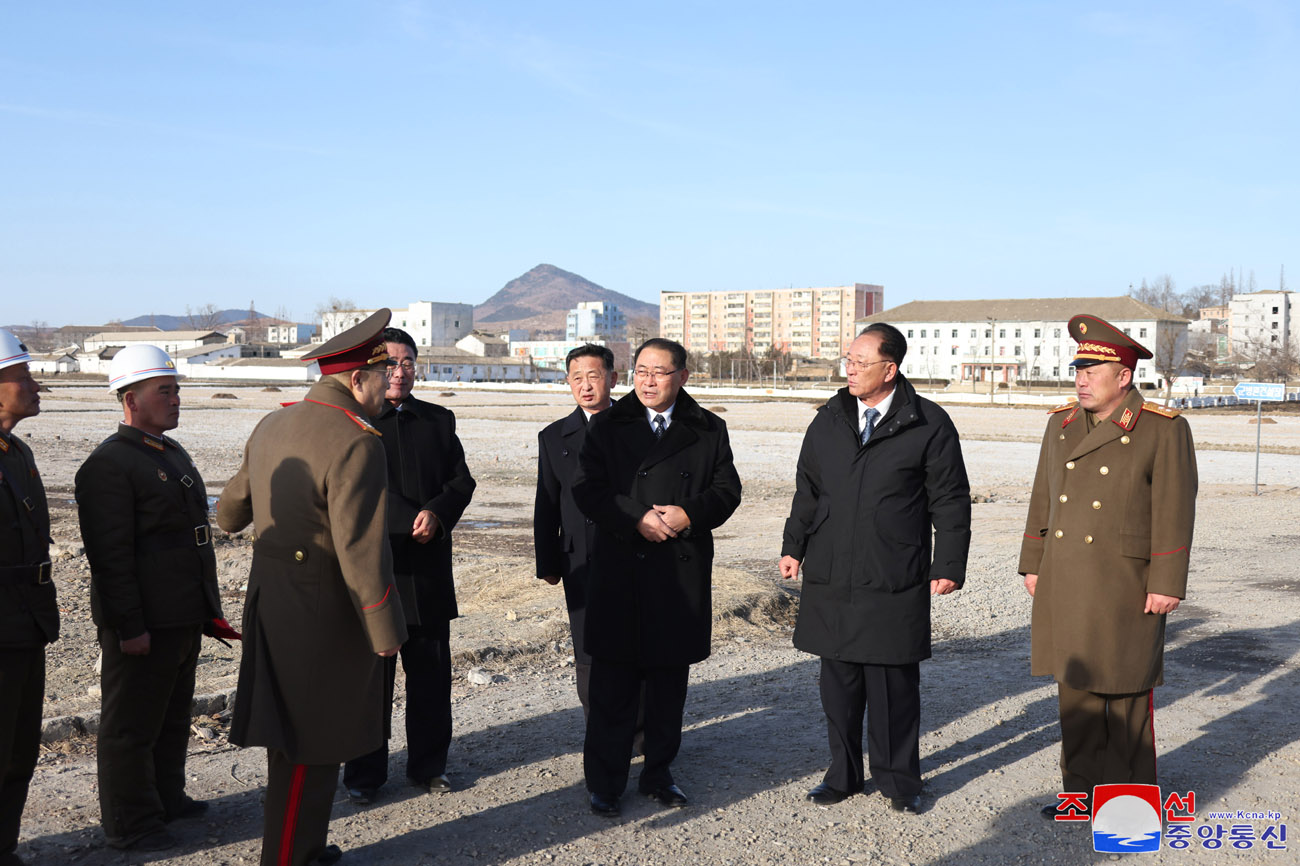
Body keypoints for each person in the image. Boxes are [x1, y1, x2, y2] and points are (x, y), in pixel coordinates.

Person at [217, 309, 407, 866]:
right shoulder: (357, 441)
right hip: (323, 616)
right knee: (312, 742)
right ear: (357, 378)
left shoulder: (274, 424)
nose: (388, 385)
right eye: (382, 374)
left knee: (291, 736)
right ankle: (290, 857)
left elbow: (230, 513)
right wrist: (385, 629)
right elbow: (361, 551)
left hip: (271, 605)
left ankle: (304, 846)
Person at [779, 323, 971, 815]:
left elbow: (949, 501)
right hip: (830, 573)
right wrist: (793, 546)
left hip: (892, 572)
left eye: (860, 361)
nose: (850, 368)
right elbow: (808, 490)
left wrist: (947, 563)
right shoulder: (830, 418)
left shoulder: (927, 422)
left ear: (891, 368)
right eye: (847, 358)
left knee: (892, 689)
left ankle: (900, 782)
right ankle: (842, 776)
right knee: (838, 687)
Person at [1019, 314, 1196, 819]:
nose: (1080, 379)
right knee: (1074, 694)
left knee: (1123, 698)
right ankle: (1079, 796)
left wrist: (1166, 582)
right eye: (1077, 369)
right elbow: (1043, 499)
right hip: (1066, 578)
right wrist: (1034, 562)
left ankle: (1127, 811)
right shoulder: (1061, 424)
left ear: (1123, 376)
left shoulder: (1161, 429)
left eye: (1091, 371)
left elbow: (1174, 511)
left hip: (1125, 584)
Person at [572, 338, 742, 817]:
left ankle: (658, 774)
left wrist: (689, 513)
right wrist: (636, 518)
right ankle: (604, 781)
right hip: (620, 566)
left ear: (682, 376)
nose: (648, 381)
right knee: (612, 685)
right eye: (641, 371)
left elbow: (728, 491)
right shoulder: (607, 425)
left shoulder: (708, 428)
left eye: (660, 372)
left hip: (678, 571)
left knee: (668, 686)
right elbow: (588, 488)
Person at [75, 344, 225, 851]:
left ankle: (166, 797)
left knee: (171, 716)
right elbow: (110, 557)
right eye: (165, 390)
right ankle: (131, 822)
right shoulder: (110, 465)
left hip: (180, 614)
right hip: (145, 621)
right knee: (130, 726)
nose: (176, 399)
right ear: (130, 398)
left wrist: (206, 608)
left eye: (177, 389)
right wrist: (128, 625)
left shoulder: (167, 452)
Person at [343, 327, 475, 805]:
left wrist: (437, 512)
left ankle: (428, 767)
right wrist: (405, 517)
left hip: (427, 571)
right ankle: (363, 775)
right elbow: (356, 493)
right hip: (374, 572)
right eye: (390, 363)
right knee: (369, 684)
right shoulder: (353, 421)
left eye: (407, 363)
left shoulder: (438, 420)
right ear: (373, 370)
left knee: (431, 680)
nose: (399, 373)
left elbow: (462, 481)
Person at [533, 344, 619, 717]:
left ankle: (642, 734)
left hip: (633, 553)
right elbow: (546, 503)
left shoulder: (637, 429)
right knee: (587, 646)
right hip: (579, 557)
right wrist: (547, 562)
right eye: (577, 378)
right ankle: (599, 727)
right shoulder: (554, 437)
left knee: (635, 643)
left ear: (613, 379)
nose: (586, 386)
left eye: (594, 376)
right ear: (567, 382)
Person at [0, 331, 58, 866]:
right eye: (23, 378)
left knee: (18, 750)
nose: (35, 386)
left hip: (25, 623)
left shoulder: (18, 453)